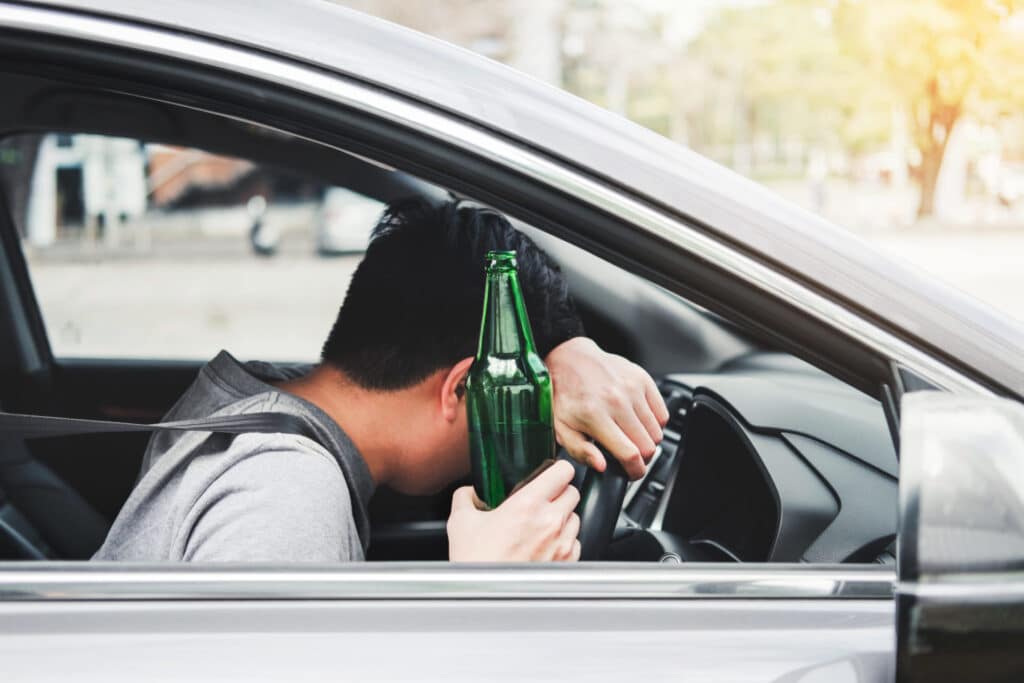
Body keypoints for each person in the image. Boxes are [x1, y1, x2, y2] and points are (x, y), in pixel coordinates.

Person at [93, 199, 668, 563]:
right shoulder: (286, 494)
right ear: (460, 389)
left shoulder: (249, 403)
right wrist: (484, 592)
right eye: (519, 407)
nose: (527, 436)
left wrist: (565, 349)